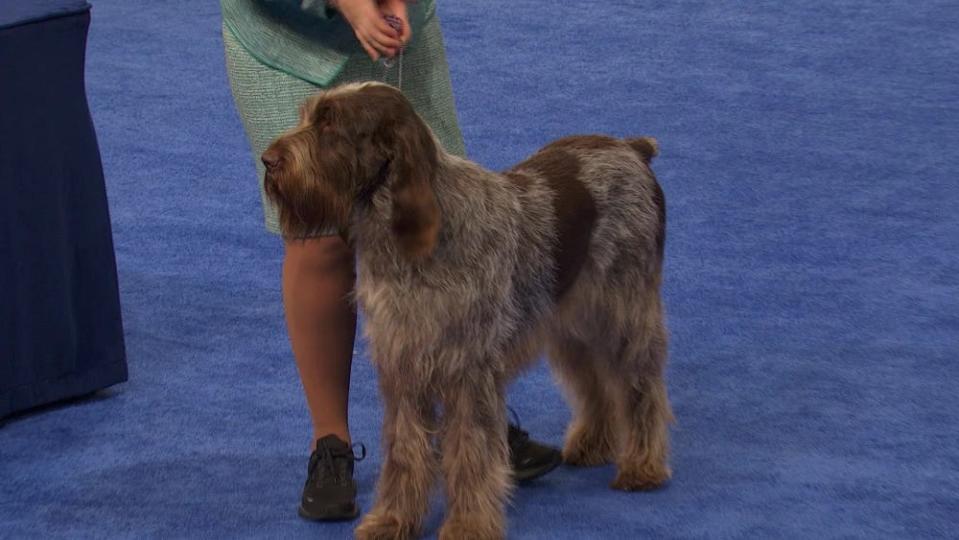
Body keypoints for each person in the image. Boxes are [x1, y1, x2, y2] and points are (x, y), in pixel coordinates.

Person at [220, 0, 561, 521]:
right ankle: (330, 443)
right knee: (321, 240)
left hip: (399, 32)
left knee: (440, 207)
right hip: (286, 35)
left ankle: (473, 414)